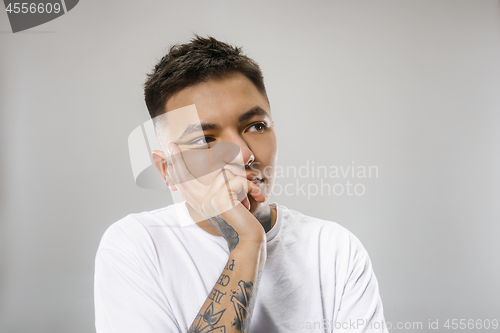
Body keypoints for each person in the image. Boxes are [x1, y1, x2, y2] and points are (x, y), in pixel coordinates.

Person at [94, 35, 388, 333]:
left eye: (256, 126)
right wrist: (247, 243)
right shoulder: (136, 246)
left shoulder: (335, 249)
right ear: (168, 170)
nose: (243, 155)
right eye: (205, 140)